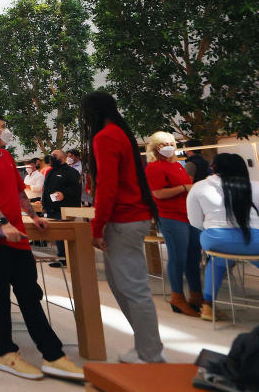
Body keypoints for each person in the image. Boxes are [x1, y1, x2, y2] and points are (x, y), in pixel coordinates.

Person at [0, 110, 83, 382]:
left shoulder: (5, 157)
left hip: (15, 235)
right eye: (3, 126)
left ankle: (53, 355)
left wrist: (32, 216)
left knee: (29, 291)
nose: (7, 130)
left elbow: (19, 191)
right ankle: (5, 353)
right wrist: (4, 222)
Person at [82, 90, 164, 364]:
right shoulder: (120, 133)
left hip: (124, 219)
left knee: (132, 287)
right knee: (121, 285)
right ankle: (146, 346)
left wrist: (97, 226)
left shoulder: (105, 137)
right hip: (131, 217)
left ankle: (150, 352)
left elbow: (107, 185)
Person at [187, 153, 259, 321]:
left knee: (218, 260)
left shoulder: (199, 187)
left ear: (213, 168)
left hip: (216, 240)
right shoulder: (254, 186)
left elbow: (195, 221)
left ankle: (207, 306)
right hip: (254, 241)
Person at [144, 131, 201, 316]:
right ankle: (177, 296)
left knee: (193, 257)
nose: (168, 146)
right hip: (171, 217)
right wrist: (185, 188)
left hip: (189, 215)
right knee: (178, 257)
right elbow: (158, 193)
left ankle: (196, 296)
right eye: (163, 144)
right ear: (155, 148)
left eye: (170, 143)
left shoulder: (178, 165)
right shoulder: (154, 168)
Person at [40, 150, 82, 267]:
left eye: (55, 156)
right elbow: (46, 190)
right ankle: (62, 258)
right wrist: (44, 205)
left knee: (65, 236)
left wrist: (64, 194)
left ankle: (70, 259)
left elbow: (76, 189)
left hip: (64, 210)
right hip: (51, 209)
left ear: (63, 158)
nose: (51, 157)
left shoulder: (71, 172)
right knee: (58, 236)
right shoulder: (50, 172)